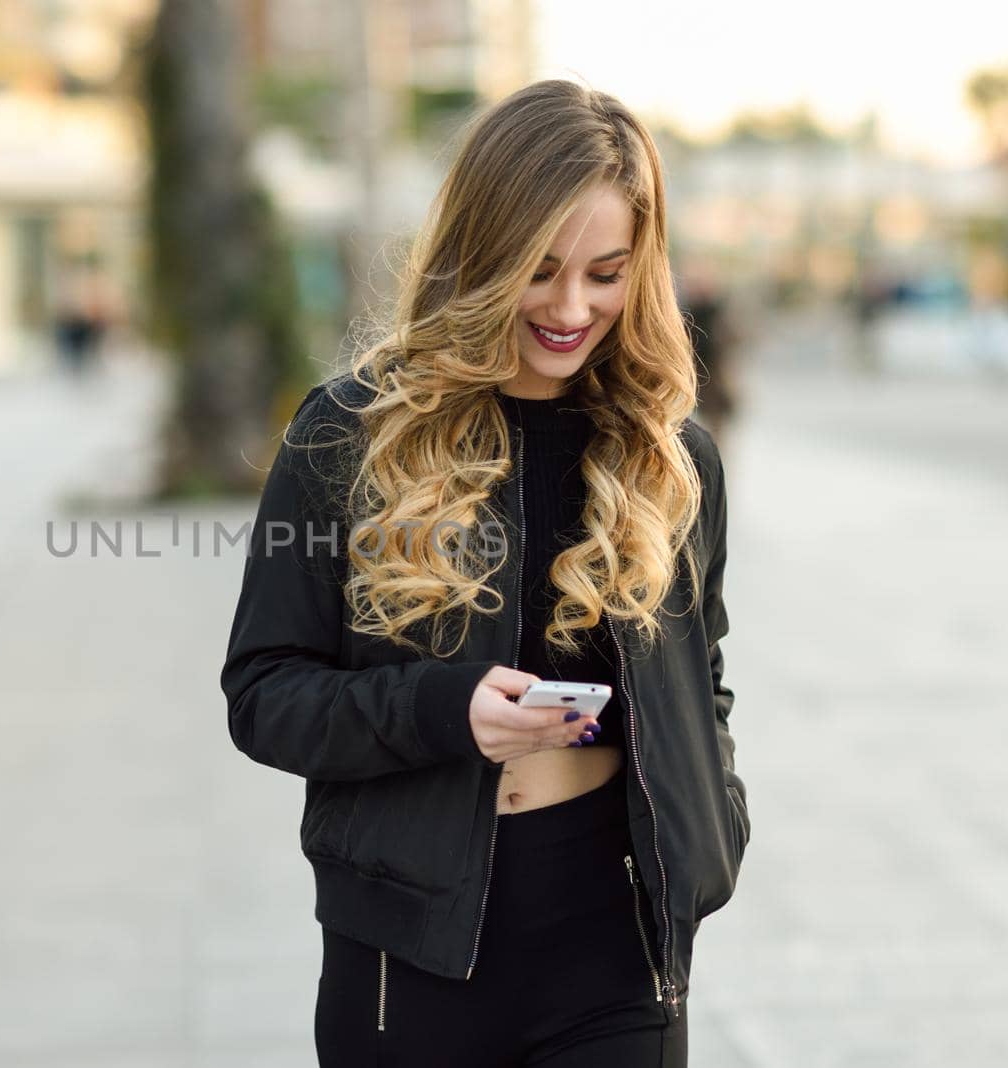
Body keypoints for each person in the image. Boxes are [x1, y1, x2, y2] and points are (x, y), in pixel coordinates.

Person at [220, 80, 749, 1067]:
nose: (569, 307)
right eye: (537, 269)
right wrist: (442, 710)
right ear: (477, 250)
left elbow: (701, 677)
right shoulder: (346, 434)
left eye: (606, 272)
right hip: (408, 964)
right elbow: (264, 696)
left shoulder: (671, 455)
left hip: (616, 957)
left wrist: (715, 821)